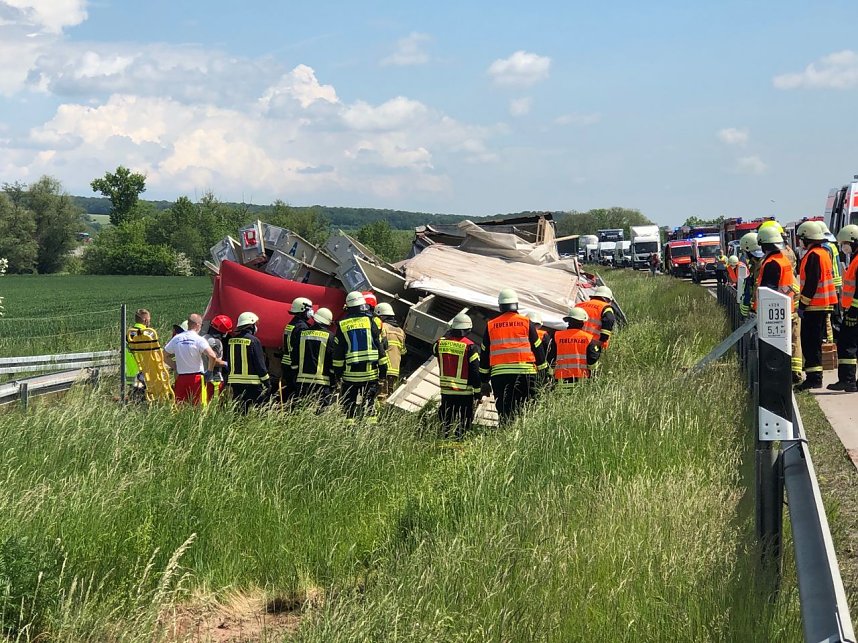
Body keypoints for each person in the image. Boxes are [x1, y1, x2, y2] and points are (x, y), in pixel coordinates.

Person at [479, 288, 546, 425]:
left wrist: (484, 378)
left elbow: (485, 352)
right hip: (525, 374)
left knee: (505, 412)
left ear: (500, 306)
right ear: (516, 305)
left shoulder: (491, 325)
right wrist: (543, 371)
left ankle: (506, 436)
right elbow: (537, 347)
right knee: (527, 410)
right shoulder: (526, 322)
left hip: (500, 376)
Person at [331, 291, 389, 423]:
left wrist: (338, 375)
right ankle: (370, 430)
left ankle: (348, 428)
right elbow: (379, 347)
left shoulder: (342, 324)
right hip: (371, 373)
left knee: (348, 406)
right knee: (370, 404)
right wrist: (383, 372)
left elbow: (338, 353)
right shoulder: (370, 321)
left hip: (350, 375)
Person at [756, 225, 803, 385]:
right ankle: (790, 375)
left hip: (774, 313)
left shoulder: (772, 263)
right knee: (788, 343)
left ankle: (782, 378)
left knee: (777, 348)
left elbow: (768, 290)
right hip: (786, 309)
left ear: (764, 244)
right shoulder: (782, 259)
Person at [796, 221, 837, 390]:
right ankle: (815, 377)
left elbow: (812, 282)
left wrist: (803, 304)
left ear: (807, 238)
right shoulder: (823, 253)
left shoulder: (813, 255)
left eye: (801, 238)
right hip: (824, 304)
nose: (800, 242)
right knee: (815, 343)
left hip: (814, 306)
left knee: (810, 343)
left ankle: (813, 378)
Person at [433, 312, 481, 440]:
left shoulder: (440, 343)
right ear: (468, 329)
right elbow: (475, 370)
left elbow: (434, 350)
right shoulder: (470, 346)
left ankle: (443, 443)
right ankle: (460, 444)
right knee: (464, 421)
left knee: (446, 421)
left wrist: (447, 334)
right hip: (465, 392)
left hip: (446, 391)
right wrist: (477, 392)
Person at [164, 313, 226, 405]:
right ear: (197, 325)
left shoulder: (176, 339)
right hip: (196, 378)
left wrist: (175, 366)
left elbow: (163, 355)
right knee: (199, 407)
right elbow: (212, 356)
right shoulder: (199, 339)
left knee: (180, 406)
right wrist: (209, 371)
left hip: (181, 378)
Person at [828, 224, 858, 392]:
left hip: (855, 311)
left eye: (845, 243)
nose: (843, 247)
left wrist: (853, 312)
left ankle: (847, 380)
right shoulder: (854, 258)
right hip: (853, 309)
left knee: (847, 345)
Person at [226, 311, 271, 411]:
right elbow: (260, 364)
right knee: (260, 411)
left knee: (239, 412)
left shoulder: (231, 341)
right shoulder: (254, 341)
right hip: (252, 384)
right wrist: (267, 381)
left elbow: (229, 362)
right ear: (251, 325)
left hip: (235, 384)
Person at [292, 307, 337, 406]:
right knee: (320, 411)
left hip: (302, 380)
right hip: (322, 381)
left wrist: (295, 373)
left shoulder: (301, 334)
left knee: (302, 409)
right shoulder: (330, 337)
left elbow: (294, 355)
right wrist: (333, 378)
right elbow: (332, 360)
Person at [549, 307, 602, 387]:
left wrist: (550, 374)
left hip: (560, 379)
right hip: (581, 380)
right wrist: (593, 375)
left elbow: (551, 357)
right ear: (583, 323)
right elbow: (592, 359)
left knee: (562, 398)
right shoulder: (588, 338)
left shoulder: (557, 336)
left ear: (568, 321)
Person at [280, 297, 314, 404]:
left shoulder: (291, 324)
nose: (311, 312)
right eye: (309, 309)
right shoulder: (302, 327)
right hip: (295, 365)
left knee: (289, 392)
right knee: (296, 394)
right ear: (302, 309)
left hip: (287, 364)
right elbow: (299, 348)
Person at [375, 302, 407, 396]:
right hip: (394, 371)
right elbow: (403, 352)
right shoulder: (401, 331)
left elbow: (378, 345)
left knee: (380, 396)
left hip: (383, 368)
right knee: (389, 395)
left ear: (381, 316)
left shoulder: (383, 327)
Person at [204, 314, 233, 401]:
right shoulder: (216, 343)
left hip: (203, 377)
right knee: (215, 403)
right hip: (214, 378)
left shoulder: (203, 338)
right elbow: (214, 360)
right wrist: (227, 364)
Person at [125, 308, 151, 391]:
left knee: (134, 395)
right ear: (145, 320)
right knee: (141, 395)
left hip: (130, 372)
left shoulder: (129, 333)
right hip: (142, 372)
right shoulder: (147, 333)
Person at [739, 232, 764, 317]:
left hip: (760, 311)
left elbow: (757, 287)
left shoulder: (762, 265)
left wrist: (753, 307)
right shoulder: (755, 264)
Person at [527, 310, 552, 384]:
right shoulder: (543, 334)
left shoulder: (520, 334)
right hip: (538, 368)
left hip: (524, 367)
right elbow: (548, 353)